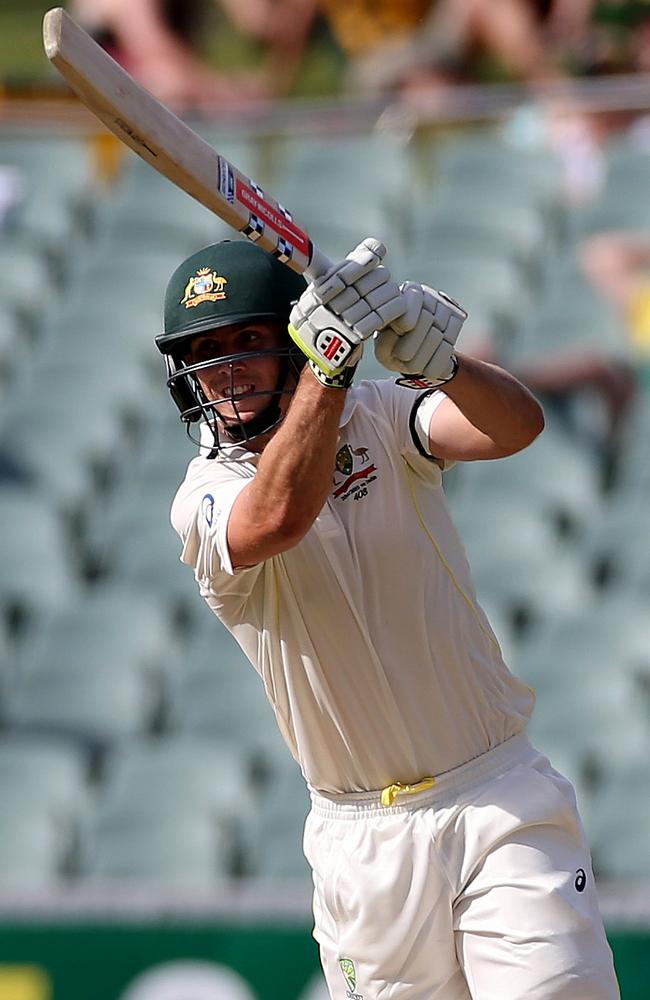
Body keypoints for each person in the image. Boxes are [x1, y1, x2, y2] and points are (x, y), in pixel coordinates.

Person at [156, 237, 620, 999]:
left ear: (291, 341)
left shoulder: (379, 414)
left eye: (248, 340)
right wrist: (331, 367)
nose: (229, 368)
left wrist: (447, 366)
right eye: (207, 351)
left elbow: (513, 428)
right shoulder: (202, 497)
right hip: (361, 841)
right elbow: (276, 518)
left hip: (493, 794)